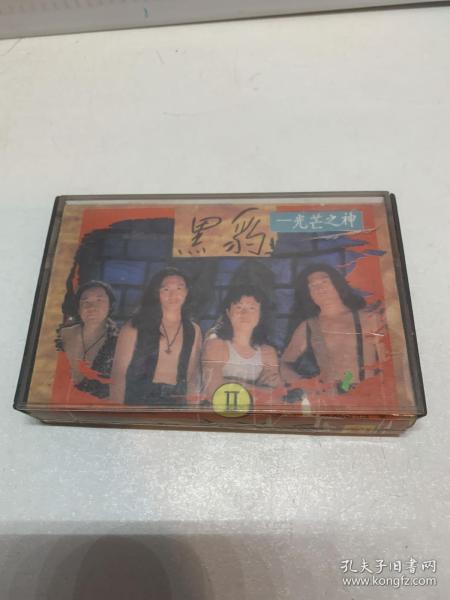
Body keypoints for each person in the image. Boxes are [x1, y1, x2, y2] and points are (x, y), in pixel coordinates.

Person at [281, 264, 385, 391]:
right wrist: (304, 385)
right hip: (331, 398)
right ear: (309, 294)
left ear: (337, 284)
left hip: (368, 395)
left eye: (324, 282)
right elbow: (284, 363)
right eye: (313, 286)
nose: (320, 288)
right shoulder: (309, 326)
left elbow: (390, 362)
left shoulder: (369, 318)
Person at [110, 267, 202, 406]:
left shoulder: (194, 330)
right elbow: (118, 374)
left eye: (179, 288)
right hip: (139, 401)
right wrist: (117, 411)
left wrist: (192, 411)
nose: (173, 295)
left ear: (187, 292)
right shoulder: (134, 326)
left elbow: (192, 377)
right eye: (166, 289)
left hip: (176, 402)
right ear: (156, 292)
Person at [201, 285, 281, 400]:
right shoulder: (215, 345)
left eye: (252, 308)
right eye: (238, 307)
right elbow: (213, 391)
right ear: (228, 312)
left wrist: (229, 382)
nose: (245, 313)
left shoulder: (268, 352)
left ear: (260, 314)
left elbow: (275, 398)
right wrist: (259, 389)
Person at [57, 280, 118, 399]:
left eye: (99, 300)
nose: (91, 307)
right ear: (78, 308)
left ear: (110, 305)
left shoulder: (119, 341)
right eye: (85, 301)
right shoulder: (62, 335)